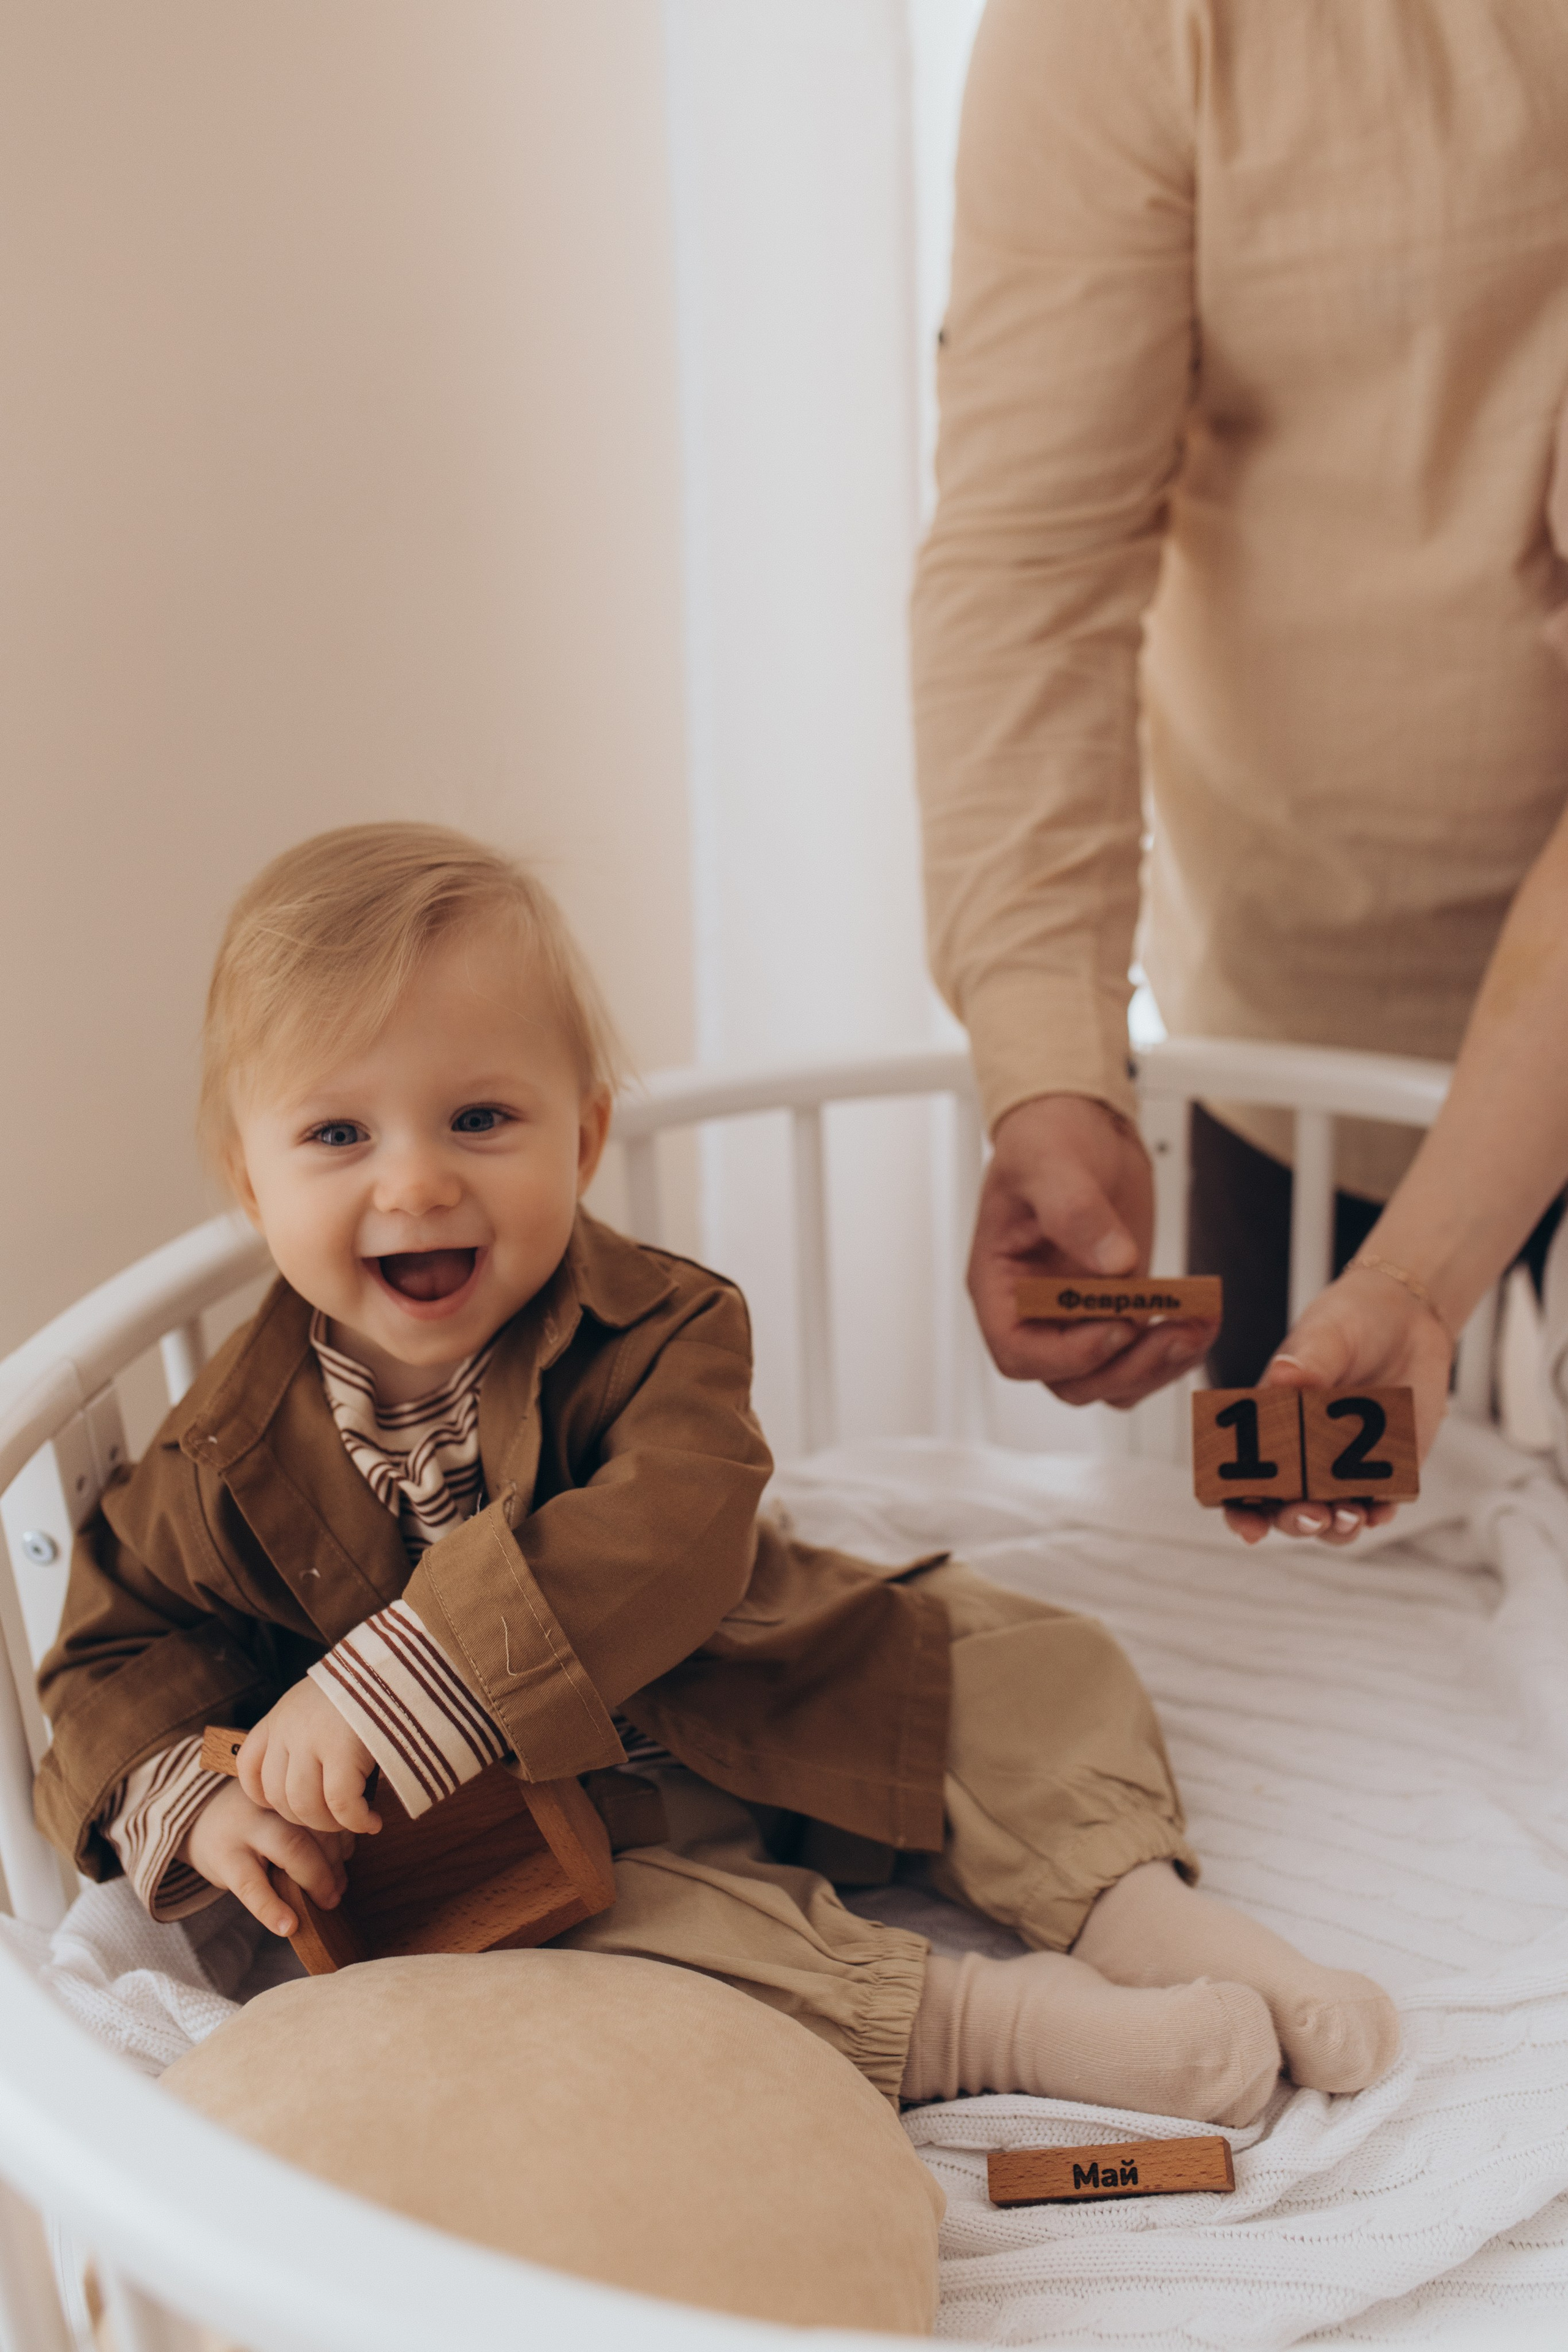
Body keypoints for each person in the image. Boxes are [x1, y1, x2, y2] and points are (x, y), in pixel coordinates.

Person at [36, 823, 1396, 2116]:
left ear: (579, 1139)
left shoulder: (664, 1324)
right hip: (550, 1815)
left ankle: (1140, 1911)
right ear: (247, 1177)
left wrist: (396, 1681)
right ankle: (1000, 2029)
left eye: (478, 1119)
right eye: (339, 1137)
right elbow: (112, 1659)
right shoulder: (222, 1449)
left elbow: (679, 1521)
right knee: (595, 1960)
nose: (414, 1184)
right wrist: (199, 1803)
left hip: (751, 1673)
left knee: (1014, 1664)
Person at [912, 1, 1568, 1428]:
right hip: (1299, 1028)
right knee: (1323, 1600)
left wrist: (1417, 1278)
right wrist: (1050, 1069)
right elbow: (1034, 562)